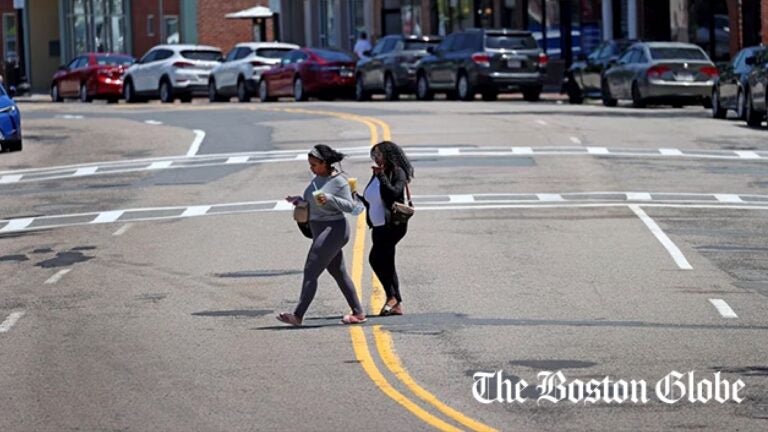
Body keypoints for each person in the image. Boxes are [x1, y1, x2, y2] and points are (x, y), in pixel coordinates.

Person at [278, 144, 367, 326]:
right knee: (339, 272)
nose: (312, 169)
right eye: (310, 165)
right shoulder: (317, 179)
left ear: (325, 163)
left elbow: (351, 207)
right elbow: (313, 200)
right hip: (319, 228)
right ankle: (358, 313)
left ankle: (298, 315)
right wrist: (299, 201)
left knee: (311, 269)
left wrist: (330, 199)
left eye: (314, 165)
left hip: (333, 229)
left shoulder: (339, 182)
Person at [357, 141, 414, 316]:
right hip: (378, 225)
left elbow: (393, 194)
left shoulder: (397, 172)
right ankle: (395, 301)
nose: (376, 158)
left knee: (376, 258)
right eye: (374, 155)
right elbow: (372, 198)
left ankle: (393, 297)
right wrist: (357, 197)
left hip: (392, 225)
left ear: (388, 155)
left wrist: (381, 176)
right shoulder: (377, 173)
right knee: (386, 261)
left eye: (379, 154)